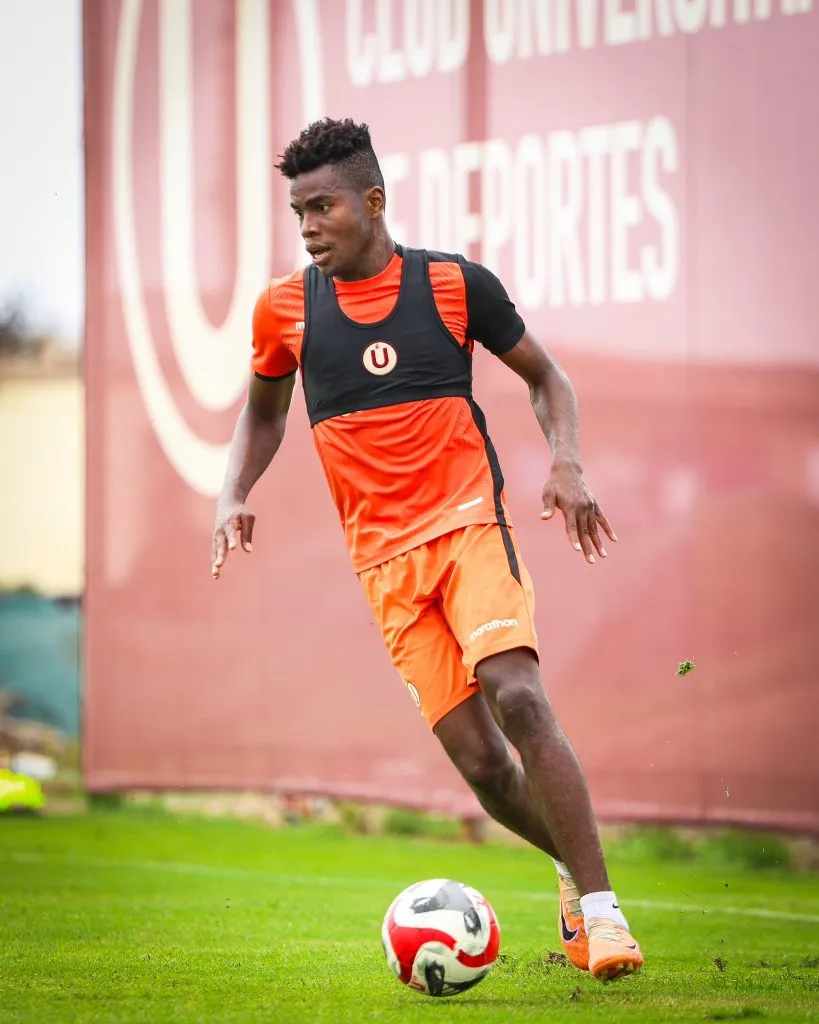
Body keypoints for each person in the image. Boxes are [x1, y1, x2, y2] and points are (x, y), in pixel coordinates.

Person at [211, 117, 644, 983]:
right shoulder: (284, 309)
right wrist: (233, 492)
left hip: (467, 528)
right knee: (483, 764)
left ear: (372, 202)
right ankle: (567, 866)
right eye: (297, 211)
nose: (306, 226)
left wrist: (566, 462)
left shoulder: (453, 285)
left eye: (322, 206)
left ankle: (603, 918)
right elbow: (262, 415)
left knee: (515, 690)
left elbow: (547, 379)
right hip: (383, 566)